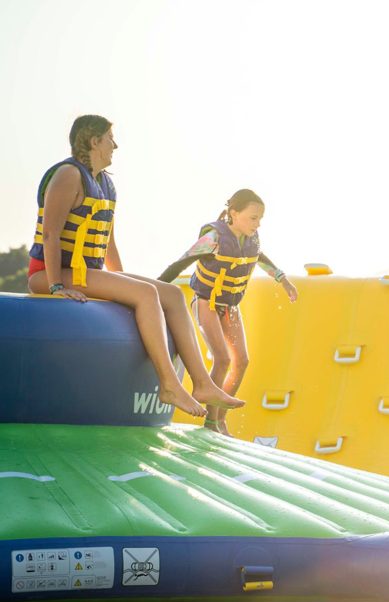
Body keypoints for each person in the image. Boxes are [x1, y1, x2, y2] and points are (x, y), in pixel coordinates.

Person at [26, 114, 243, 418]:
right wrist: (56, 286)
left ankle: (202, 383)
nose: (115, 145)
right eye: (110, 138)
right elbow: (50, 234)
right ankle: (168, 384)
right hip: (48, 274)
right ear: (94, 141)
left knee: (171, 294)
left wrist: (122, 282)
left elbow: (107, 244)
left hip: (86, 273)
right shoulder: (68, 175)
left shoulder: (104, 184)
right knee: (145, 295)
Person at [158, 190, 298, 434]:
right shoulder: (213, 238)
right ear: (234, 213)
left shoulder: (250, 240)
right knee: (222, 358)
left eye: (260, 219)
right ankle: (211, 421)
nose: (258, 224)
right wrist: (154, 288)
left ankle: (220, 418)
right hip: (206, 302)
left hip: (230, 307)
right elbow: (182, 262)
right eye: (253, 218)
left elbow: (259, 257)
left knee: (241, 361)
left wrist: (282, 278)